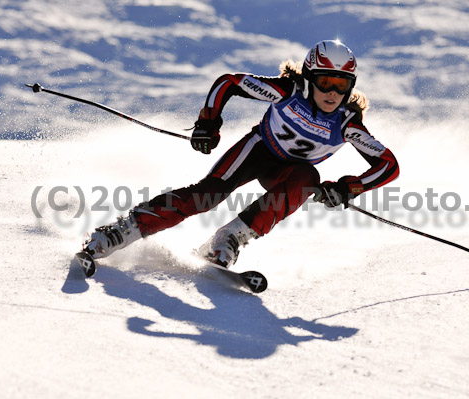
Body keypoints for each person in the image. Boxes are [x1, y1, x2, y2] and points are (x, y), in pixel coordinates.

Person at [81, 40, 399, 268]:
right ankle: (122, 230)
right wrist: (208, 123)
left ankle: (228, 239)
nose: (332, 93)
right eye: (325, 81)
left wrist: (347, 188)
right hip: (258, 151)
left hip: (287, 175)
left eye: (341, 85)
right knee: (208, 195)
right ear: (308, 77)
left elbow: (388, 166)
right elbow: (229, 83)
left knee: (308, 178)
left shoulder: (347, 123)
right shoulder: (289, 91)